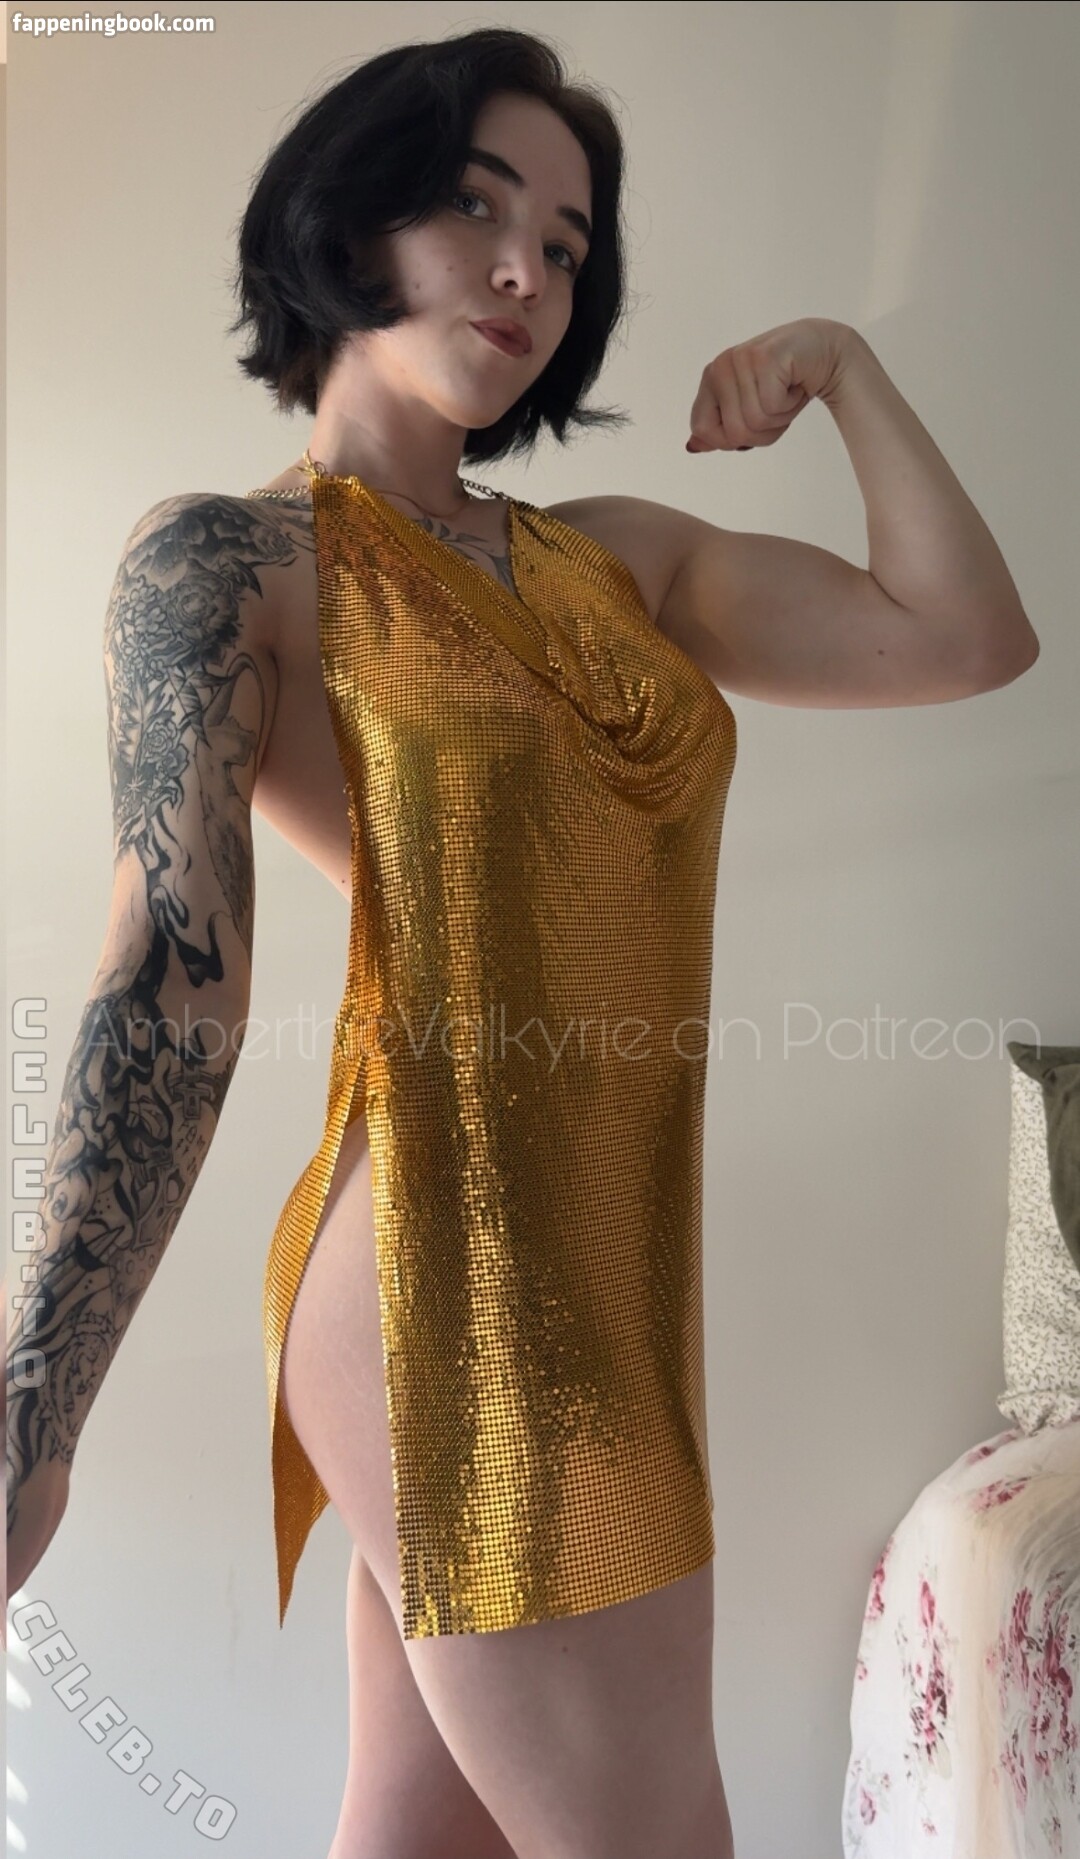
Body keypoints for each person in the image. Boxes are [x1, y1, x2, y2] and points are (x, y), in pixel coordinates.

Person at [6, 22, 1038, 1859]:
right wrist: (37, 1412)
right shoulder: (227, 567)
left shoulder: (618, 562)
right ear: (348, 224)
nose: (525, 274)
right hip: (445, 1275)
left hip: (618, 1284)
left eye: (566, 244)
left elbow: (963, 635)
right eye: (477, 210)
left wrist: (846, 364)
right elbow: (166, 980)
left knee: (419, 1838)